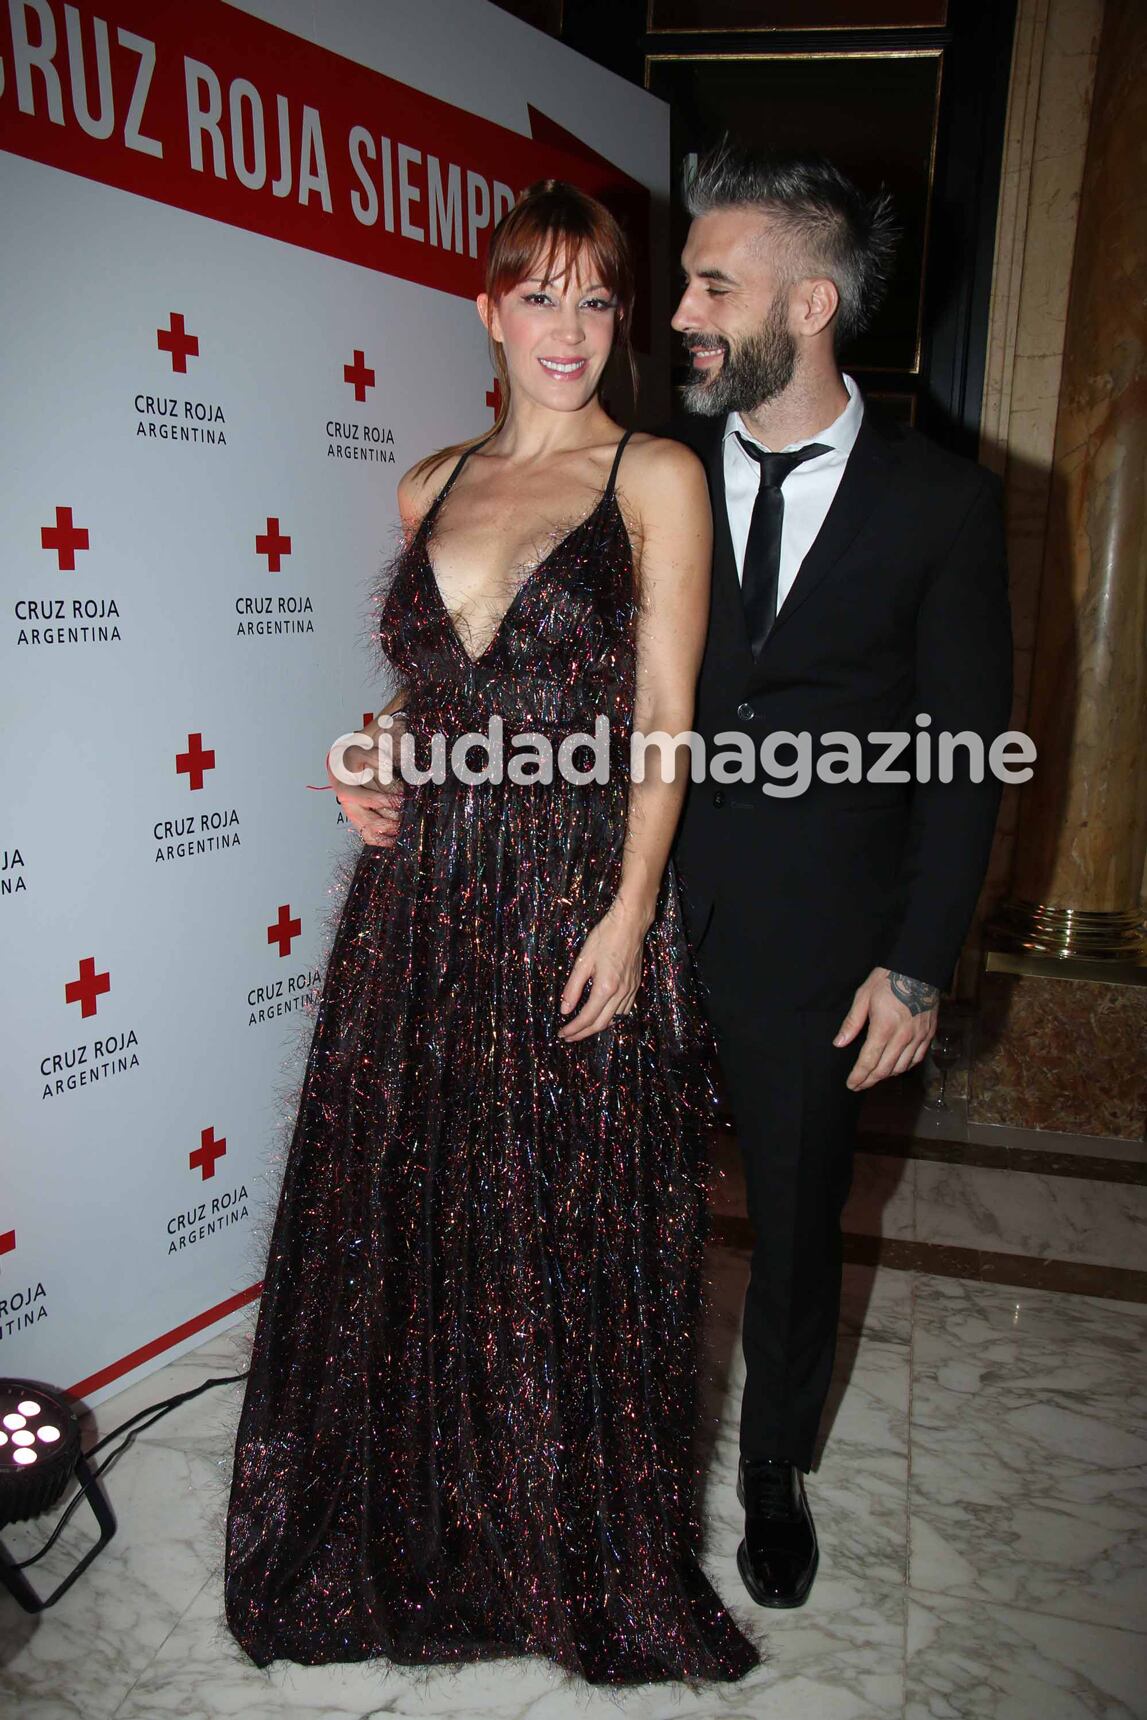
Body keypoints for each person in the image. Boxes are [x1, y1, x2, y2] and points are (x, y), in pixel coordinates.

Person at [223, 179, 760, 1686]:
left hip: (568, 897)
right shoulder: (428, 482)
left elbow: (664, 719)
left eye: (599, 299)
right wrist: (367, 749)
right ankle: (421, 1524)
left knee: (559, 1236)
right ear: (488, 308)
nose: (571, 329)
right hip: (418, 911)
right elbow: (434, 701)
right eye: (542, 296)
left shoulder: (652, 475)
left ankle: (569, 1546)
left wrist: (633, 909)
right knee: (408, 1213)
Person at [667, 141, 1014, 1609]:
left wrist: (922, 960)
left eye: (710, 285)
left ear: (808, 304)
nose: (680, 314)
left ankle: (772, 1469)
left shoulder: (943, 504)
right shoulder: (651, 468)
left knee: (802, 1223)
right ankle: (616, 1448)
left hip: (820, 943)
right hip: (636, 914)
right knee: (616, 1204)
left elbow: (966, 750)